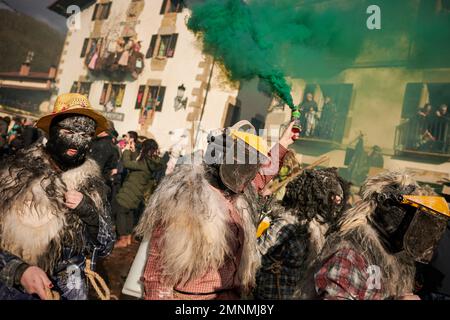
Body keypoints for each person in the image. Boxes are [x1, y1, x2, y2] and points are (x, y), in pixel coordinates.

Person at [135, 121, 298, 300]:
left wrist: (284, 142)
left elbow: (261, 175)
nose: (248, 171)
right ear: (223, 156)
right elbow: (158, 273)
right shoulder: (185, 198)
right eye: (243, 160)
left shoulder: (239, 192)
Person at [0, 93, 115, 300]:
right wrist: (18, 270)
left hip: (69, 291)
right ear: (52, 131)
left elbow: (106, 247)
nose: (76, 141)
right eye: (69, 130)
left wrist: (89, 212)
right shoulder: (13, 175)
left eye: (85, 135)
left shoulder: (93, 185)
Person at [303, 170, 449, 300]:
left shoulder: (398, 256)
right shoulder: (349, 254)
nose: (413, 221)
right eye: (409, 211)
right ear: (386, 205)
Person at [254, 168, 350, 299]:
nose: (336, 204)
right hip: (272, 293)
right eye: (333, 198)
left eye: (339, 199)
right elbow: (257, 253)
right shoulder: (289, 221)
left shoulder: (323, 228)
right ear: (318, 195)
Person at [113, 139, 164, 249]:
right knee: (129, 214)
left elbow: (127, 163)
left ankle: (122, 239)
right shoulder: (151, 161)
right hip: (137, 193)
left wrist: (126, 151)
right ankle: (128, 238)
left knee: (121, 213)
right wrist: (133, 151)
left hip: (130, 191)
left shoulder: (144, 162)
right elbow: (137, 163)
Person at [89, 121, 121, 202]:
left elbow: (95, 169)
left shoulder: (103, 145)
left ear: (104, 130)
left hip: (94, 187)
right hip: (102, 184)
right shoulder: (109, 144)